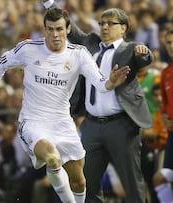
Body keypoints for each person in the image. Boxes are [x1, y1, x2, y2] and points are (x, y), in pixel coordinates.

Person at [0, 6, 130, 203]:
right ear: (44, 29)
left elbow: (101, 84)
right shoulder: (29, 48)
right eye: (50, 29)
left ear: (68, 29)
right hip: (33, 122)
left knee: (79, 182)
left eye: (59, 29)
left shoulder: (79, 54)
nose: (55, 34)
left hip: (62, 122)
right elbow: (1, 63)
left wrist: (111, 82)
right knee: (52, 158)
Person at [44, 0, 154, 202]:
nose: (104, 27)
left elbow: (145, 59)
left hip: (121, 125)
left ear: (123, 28)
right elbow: (69, 26)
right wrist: (49, 3)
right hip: (92, 125)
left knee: (132, 182)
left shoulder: (130, 49)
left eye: (110, 23)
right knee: (87, 183)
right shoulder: (91, 43)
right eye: (102, 23)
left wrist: (144, 54)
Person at [153, 28, 173, 203]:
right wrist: (166, 116)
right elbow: (165, 106)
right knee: (160, 178)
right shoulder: (166, 73)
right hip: (172, 135)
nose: (171, 46)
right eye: (168, 42)